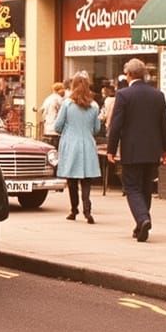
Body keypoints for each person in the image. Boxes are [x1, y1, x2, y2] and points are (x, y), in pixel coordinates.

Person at [106, 58, 166, 243]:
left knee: (132, 188)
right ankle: (140, 224)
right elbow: (164, 124)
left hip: (132, 150)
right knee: (145, 188)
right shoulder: (157, 94)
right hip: (152, 150)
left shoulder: (124, 95)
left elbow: (117, 125)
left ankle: (143, 219)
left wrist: (111, 149)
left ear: (128, 74)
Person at [54, 72, 101, 224]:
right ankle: (87, 210)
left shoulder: (67, 104)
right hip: (87, 143)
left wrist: (67, 130)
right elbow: (96, 129)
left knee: (72, 179)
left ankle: (74, 210)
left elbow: (58, 126)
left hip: (70, 143)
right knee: (86, 179)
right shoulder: (94, 106)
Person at [39, 82, 65, 147]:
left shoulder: (48, 99)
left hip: (47, 129)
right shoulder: (59, 99)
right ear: (59, 90)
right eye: (63, 89)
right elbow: (63, 114)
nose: (64, 91)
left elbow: (42, 110)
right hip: (56, 131)